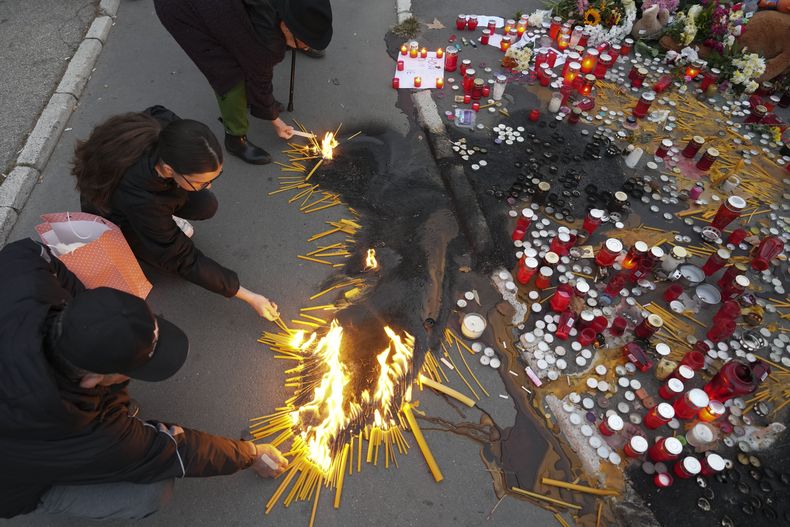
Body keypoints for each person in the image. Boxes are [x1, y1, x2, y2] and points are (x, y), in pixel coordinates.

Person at [0, 238, 288, 520]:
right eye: (132, 368)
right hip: (10, 482)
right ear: (90, 379)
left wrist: (91, 312)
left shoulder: (22, 271)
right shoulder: (87, 434)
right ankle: (47, 488)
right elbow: (174, 450)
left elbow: (36, 253)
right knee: (151, 491)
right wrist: (250, 453)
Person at [73, 107, 280, 320]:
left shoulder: (172, 133)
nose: (208, 186)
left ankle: (168, 219)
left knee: (206, 204)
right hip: (115, 210)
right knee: (166, 259)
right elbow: (182, 258)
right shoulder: (143, 200)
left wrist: (193, 186)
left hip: (150, 195)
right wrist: (250, 297)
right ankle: (155, 229)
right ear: (170, 170)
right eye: (200, 182)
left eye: (213, 178)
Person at [153, 0, 333, 164]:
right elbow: (259, 79)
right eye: (304, 43)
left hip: (224, 12)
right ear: (287, 26)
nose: (307, 47)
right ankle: (235, 138)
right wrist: (275, 119)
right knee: (228, 75)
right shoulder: (265, 44)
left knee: (249, 57)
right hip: (182, 8)